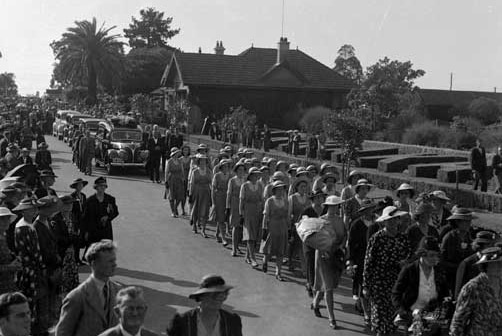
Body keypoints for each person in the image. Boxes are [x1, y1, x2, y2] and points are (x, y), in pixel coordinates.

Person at [56, 240, 121, 336]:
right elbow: (63, 332)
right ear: (94, 264)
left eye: (114, 260)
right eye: (110, 261)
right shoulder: (77, 297)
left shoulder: (119, 291)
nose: (114, 264)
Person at [363, 206, 411, 336]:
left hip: (396, 283)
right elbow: (368, 262)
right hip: (379, 283)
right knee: (380, 320)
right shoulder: (376, 238)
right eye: (390, 220)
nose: (393, 222)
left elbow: (408, 258)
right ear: (384, 222)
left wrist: (404, 265)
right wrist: (366, 285)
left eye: (395, 219)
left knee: (392, 320)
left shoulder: (403, 238)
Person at [392, 237, 449, 329]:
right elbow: (396, 293)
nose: (434, 259)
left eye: (436, 255)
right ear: (422, 254)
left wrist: (445, 308)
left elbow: (445, 292)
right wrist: (402, 311)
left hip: (433, 316)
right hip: (413, 315)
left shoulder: (439, 270)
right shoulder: (409, 270)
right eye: (431, 255)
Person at [311, 195, 347, 330]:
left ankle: (315, 303)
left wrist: (341, 247)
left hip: (336, 256)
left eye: (337, 205)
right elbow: (315, 240)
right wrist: (325, 249)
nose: (334, 208)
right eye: (332, 206)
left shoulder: (339, 220)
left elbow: (344, 236)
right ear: (328, 206)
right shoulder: (321, 220)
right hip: (323, 256)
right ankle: (332, 317)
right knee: (329, 287)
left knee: (328, 284)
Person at [450, 247, 502, 336]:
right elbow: (458, 322)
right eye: (495, 264)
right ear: (486, 266)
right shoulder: (472, 287)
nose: (499, 267)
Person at [167, 274, 242, 336]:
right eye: (213, 295)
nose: (218, 300)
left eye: (222, 295)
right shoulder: (182, 321)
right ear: (201, 297)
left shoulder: (232, 321)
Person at [33, 196, 63, 334]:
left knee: (53, 304)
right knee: (44, 308)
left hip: (54, 269)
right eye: (50, 208)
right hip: (46, 271)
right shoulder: (37, 226)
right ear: (42, 210)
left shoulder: (48, 223)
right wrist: (55, 260)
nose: (53, 210)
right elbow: (43, 250)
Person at [347, 199, 377, 323]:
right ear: (363, 211)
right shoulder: (356, 224)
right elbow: (351, 243)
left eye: (371, 209)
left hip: (375, 258)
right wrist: (350, 260)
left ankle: (369, 307)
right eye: (367, 209)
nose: (370, 211)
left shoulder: (378, 223)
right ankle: (364, 310)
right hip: (361, 258)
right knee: (361, 283)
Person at [440, 208, 475, 294]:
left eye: (469, 221)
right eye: (466, 221)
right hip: (451, 277)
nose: (469, 224)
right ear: (457, 222)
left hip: (466, 277)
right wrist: (458, 267)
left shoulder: (469, 237)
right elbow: (442, 260)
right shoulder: (449, 238)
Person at [51, 195, 79, 296]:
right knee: (61, 284)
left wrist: (75, 240)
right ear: (61, 205)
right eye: (67, 204)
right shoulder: (55, 218)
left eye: (71, 203)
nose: (69, 206)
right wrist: (72, 239)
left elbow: (76, 232)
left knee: (72, 283)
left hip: (72, 255)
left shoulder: (73, 216)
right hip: (62, 254)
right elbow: (58, 238)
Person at [454, 230, 496, 298]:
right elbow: (458, 290)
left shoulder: (494, 262)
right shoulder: (466, 263)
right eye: (489, 245)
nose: (492, 248)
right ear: (480, 245)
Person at [261, 181, 289, 280]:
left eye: (282, 189)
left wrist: (288, 228)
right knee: (269, 249)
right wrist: (264, 228)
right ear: (274, 190)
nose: (281, 191)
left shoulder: (286, 201)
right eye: (279, 189)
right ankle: (265, 261)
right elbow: (266, 216)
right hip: (272, 227)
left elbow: (287, 216)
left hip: (282, 227)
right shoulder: (269, 201)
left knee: (280, 251)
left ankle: (278, 272)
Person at [300, 189, 326, 298]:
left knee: (321, 266)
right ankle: (311, 286)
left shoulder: (326, 210)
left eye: (321, 197)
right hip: (309, 242)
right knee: (310, 264)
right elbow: (301, 225)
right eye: (317, 197)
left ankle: (317, 286)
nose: (320, 199)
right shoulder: (307, 211)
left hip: (322, 242)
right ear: (313, 199)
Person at [82, 177, 119, 248]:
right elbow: (85, 217)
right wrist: (86, 232)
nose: (102, 187)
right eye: (100, 186)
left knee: (105, 253)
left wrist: (108, 217)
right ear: (96, 187)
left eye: (104, 186)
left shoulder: (110, 199)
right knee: (94, 253)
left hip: (106, 231)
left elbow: (115, 212)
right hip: (93, 231)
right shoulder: (89, 201)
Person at [239, 167, 263, 268]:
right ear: (250, 175)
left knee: (254, 236)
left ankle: (247, 256)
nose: (255, 177)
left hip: (257, 211)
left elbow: (261, 200)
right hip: (248, 211)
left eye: (257, 175)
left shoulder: (260, 186)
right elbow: (241, 200)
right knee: (249, 235)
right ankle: (253, 258)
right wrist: (241, 213)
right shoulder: (244, 186)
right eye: (254, 175)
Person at [287, 176, 310, 272]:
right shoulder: (292, 198)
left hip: (305, 226)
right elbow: (289, 214)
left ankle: (304, 268)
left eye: (305, 186)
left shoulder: (308, 198)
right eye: (302, 186)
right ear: (297, 187)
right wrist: (289, 227)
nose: (303, 188)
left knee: (302, 246)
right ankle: (290, 261)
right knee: (292, 245)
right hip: (294, 225)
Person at [189, 154, 212, 237]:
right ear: (198, 162)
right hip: (197, 191)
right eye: (201, 160)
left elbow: (211, 184)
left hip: (206, 192)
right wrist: (190, 194)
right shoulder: (195, 171)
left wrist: (212, 195)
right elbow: (192, 183)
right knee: (196, 209)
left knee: (205, 211)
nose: (203, 162)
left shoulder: (209, 171)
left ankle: (203, 229)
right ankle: (195, 225)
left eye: (204, 161)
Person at [227, 162, 246, 256]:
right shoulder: (232, 180)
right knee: (235, 226)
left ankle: (237, 245)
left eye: (243, 170)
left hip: (244, 205)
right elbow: (229, 194)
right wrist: (227, 206)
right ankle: (234, 248)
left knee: (241, 227)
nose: (241, 172)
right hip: (235, 204)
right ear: (236, 170)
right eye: (239, 170)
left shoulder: (245, 181)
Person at [0, 207, 20, 294]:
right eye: (2, 220)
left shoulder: (3, 237)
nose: (6, 222)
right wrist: (11, 267)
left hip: (7, 284)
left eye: (7, 219)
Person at [212, 159, 231, 246]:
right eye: (224, 166)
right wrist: (213, 201)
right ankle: (223, 238)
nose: (226, 168)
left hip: (227, 197)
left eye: (227, 166)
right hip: (219, 197)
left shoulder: (230, 176)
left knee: (223, 217)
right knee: (220, 217)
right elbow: (213, 188)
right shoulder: (217, 176)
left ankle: (217, 233)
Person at [70, 178, 87, 265]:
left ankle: (78, 258)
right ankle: (75, 259)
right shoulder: (72, 196)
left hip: (82, 221)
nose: (80, 186)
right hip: (75, 221)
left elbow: (85, 208)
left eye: (81, 185)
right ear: (75, 186)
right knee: (75, 240)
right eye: (79, 185)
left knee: (80, 239)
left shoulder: (83, 196)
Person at [165, 147, 185, 218]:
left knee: (179, 196)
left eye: (177, 153)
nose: (177, 154)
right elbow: (166, 172)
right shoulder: (169, 161)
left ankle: (175, 207)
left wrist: (183, 178)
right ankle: (173, 211)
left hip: (179, 179)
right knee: (172, 196)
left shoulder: (180, 161)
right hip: (171, 179)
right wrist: (166, 181)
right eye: (176, 153)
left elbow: (182, 170)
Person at [180, 145, 191, 216]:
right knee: (182, 195)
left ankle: (190, 210)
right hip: (182, 179)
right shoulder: (180, 159)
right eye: (184, 150)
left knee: (190, 195)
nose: (185, 151)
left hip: (189, 179)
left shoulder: (191, 159)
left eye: (187, 150)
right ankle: (183, 210)